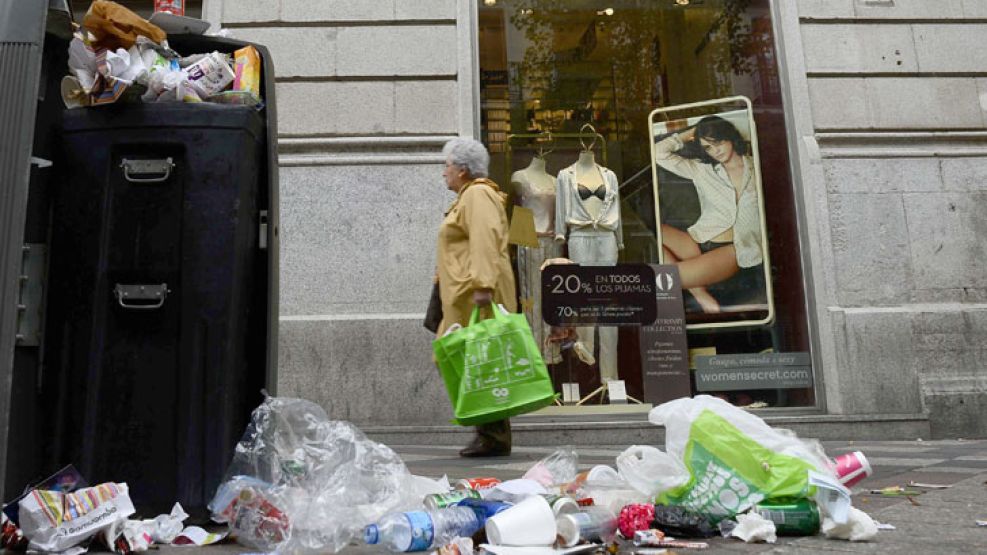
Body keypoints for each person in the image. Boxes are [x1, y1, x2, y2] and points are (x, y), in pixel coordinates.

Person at [435, 137, 517, 457]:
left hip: (475, 294)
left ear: (463, 170)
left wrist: (483, 286)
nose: (444, 173)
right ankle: (490, 432)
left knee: (481, 360)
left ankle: (493, 434)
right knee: (474, 360)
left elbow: (485, 240)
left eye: (447, 166)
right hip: (465, 292)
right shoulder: (471, 196)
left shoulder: (478, 195)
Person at [653, 115, 764, 313]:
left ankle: (698, 287)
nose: (715, 151)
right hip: (699, 239)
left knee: (662, 279)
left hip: (733, 250)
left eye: (718, 142)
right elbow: (658, 153)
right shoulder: (703, 170)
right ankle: (701, 294)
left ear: (730, 137)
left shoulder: (758, 168)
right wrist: (692, 132)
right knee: (650, 233)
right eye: (708, 147)